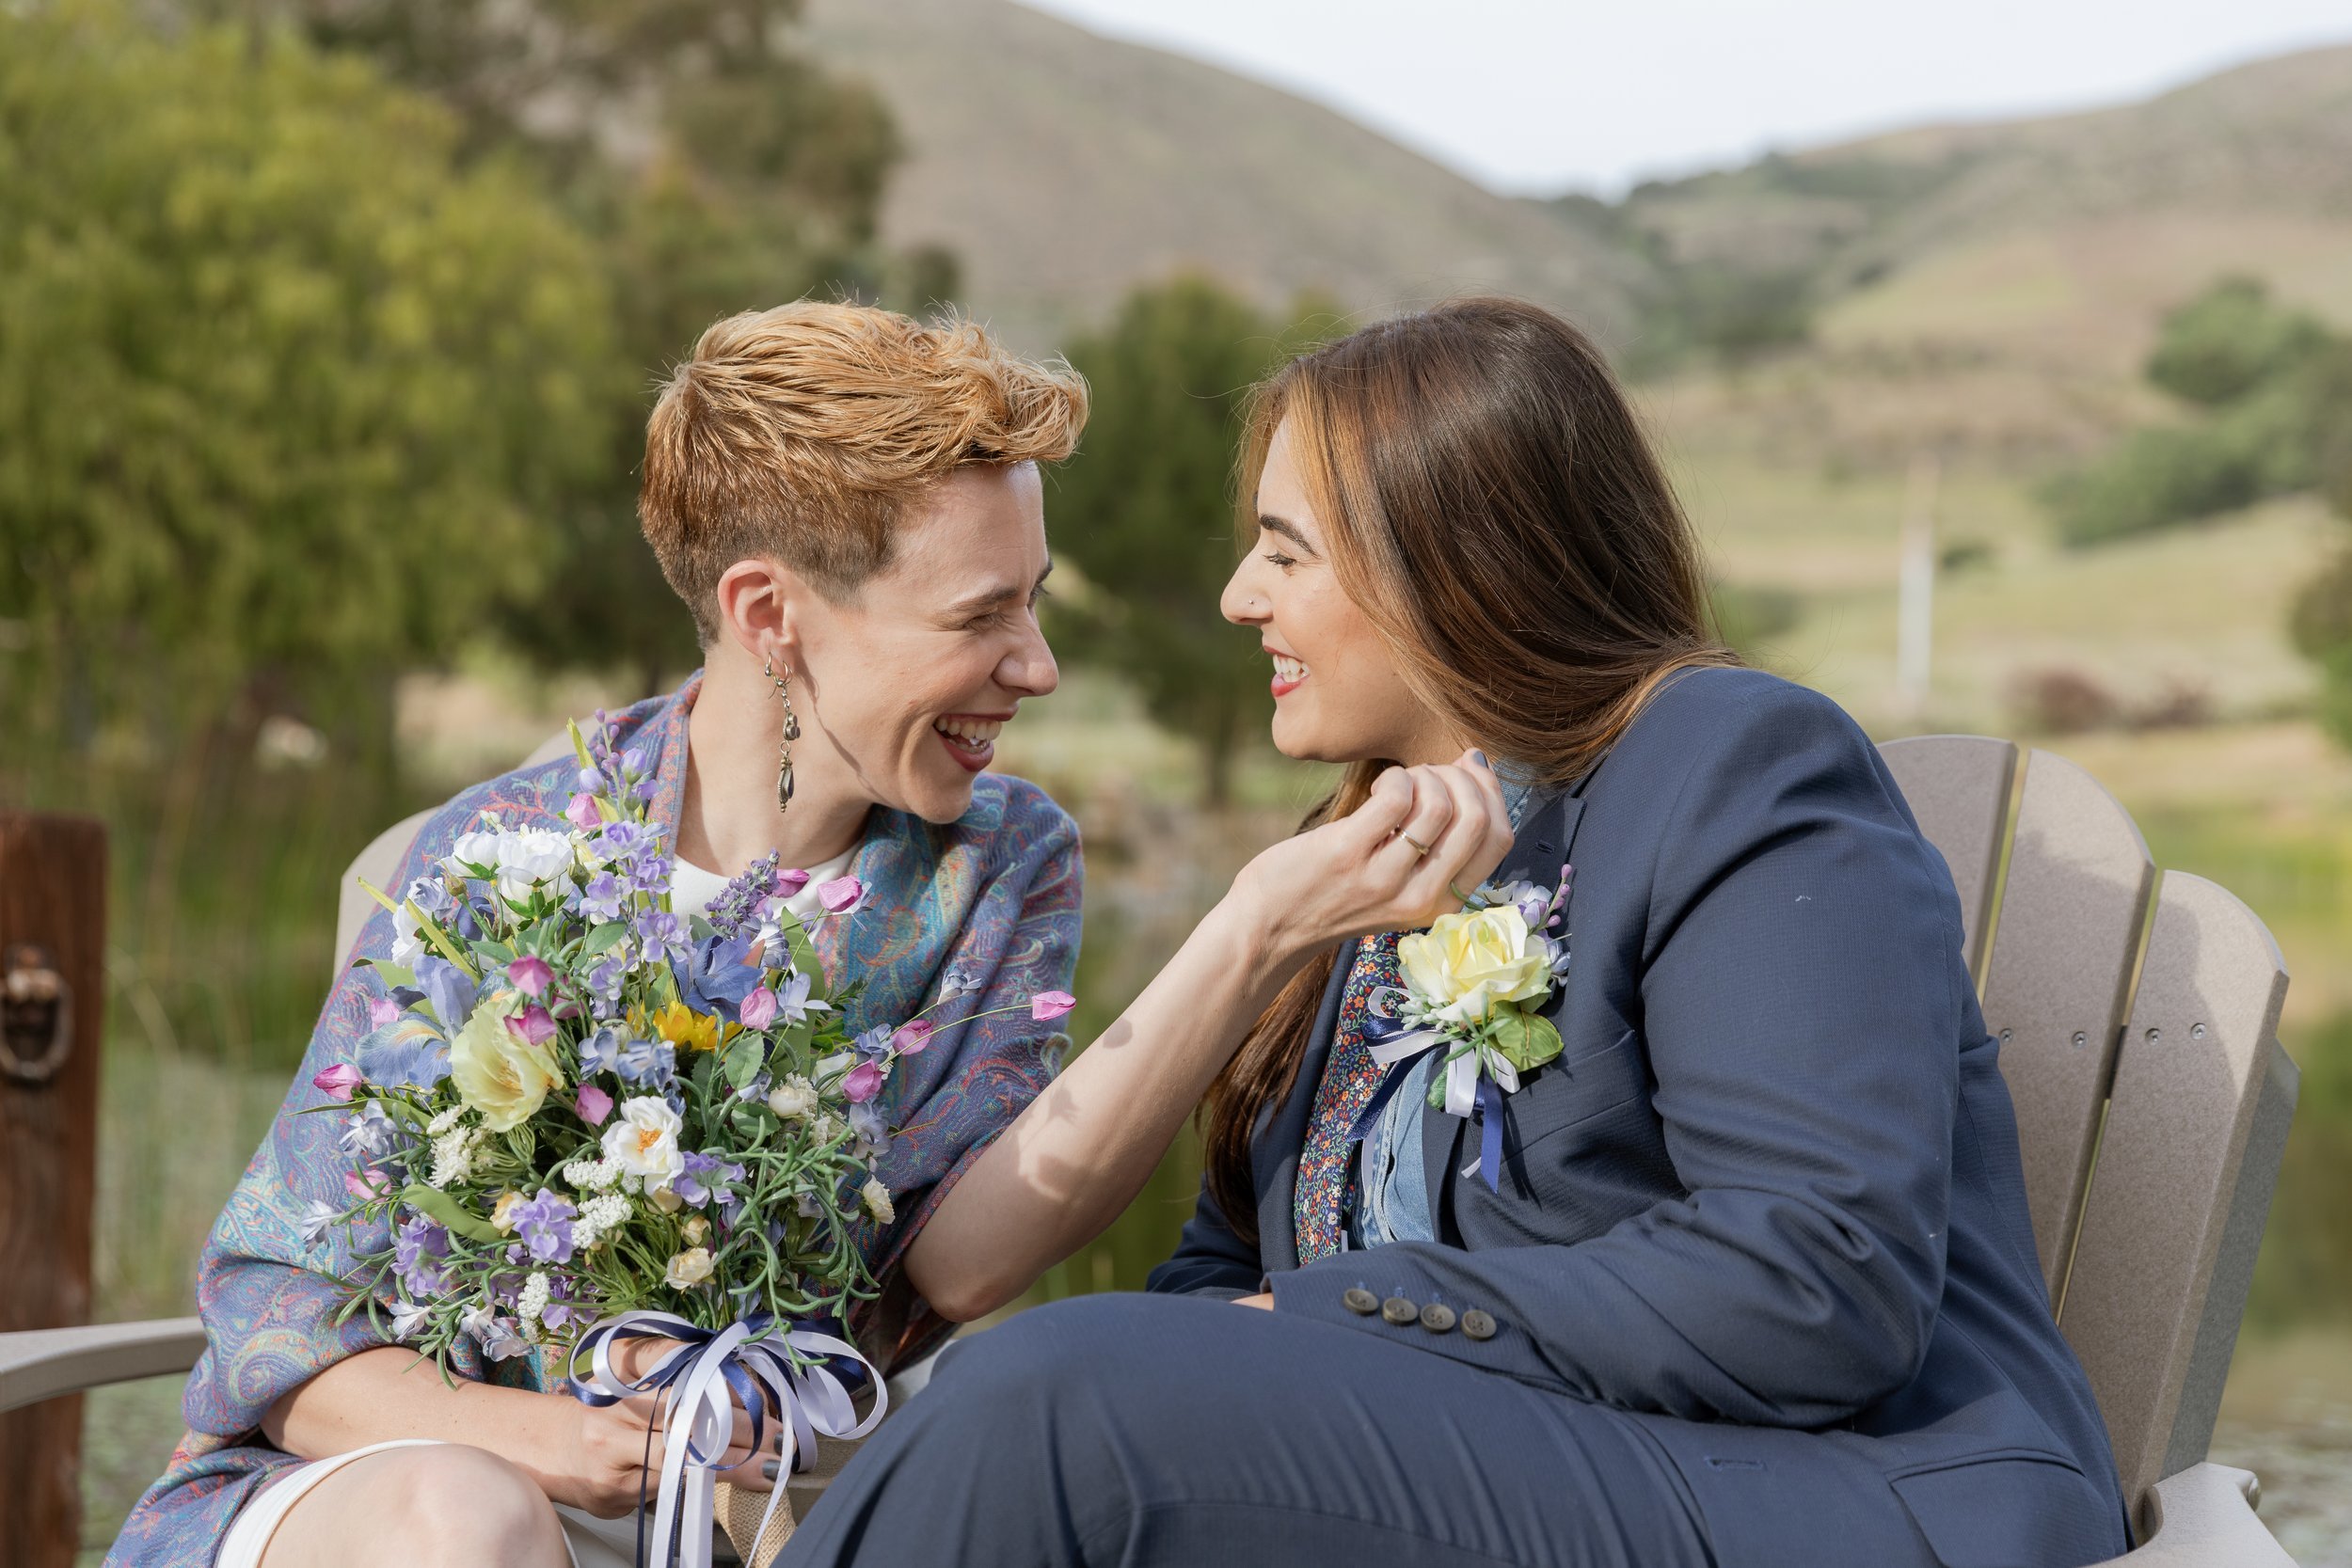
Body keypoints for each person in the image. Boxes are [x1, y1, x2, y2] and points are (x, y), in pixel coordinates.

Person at [110, 302, 1509, 1568]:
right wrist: (535, 1441)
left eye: (1034, 601)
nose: (1037, 665)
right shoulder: (504, 859)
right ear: (770, 615)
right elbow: (281, 1320)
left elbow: (951, 1271)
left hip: (746, 1522)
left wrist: (1253, 923)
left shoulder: (997, 864)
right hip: (394, 1495)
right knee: (473, 1526)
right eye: (983, 614)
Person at [777, 298, 2135, 1568]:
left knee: (1054, 1400)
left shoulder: (1731, 764)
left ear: (1452, 564)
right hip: (1496, 1481)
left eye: (1286, 551)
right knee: (1042, 1386)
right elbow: (1224, 1275)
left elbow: (1813, 1280)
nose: (1243, 596)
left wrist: (1313, 1326)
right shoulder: (1373, 863)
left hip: (1834, 1496)